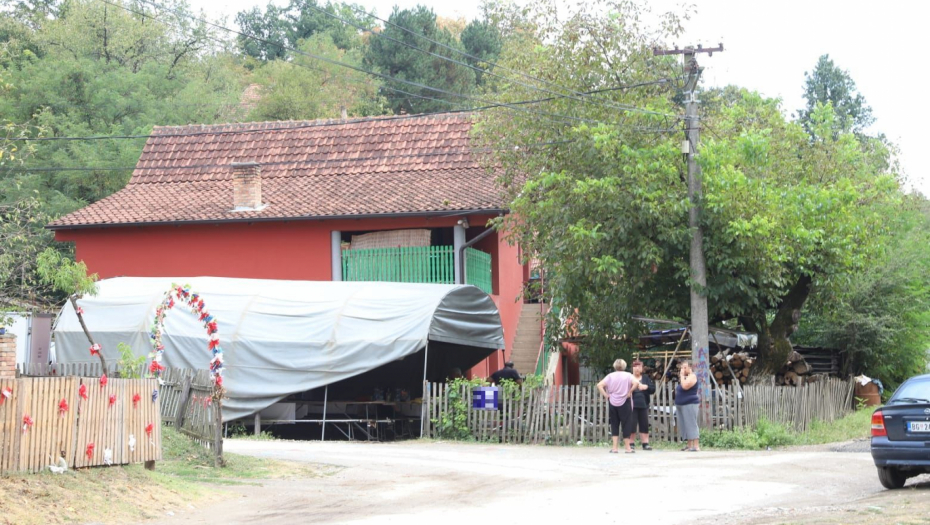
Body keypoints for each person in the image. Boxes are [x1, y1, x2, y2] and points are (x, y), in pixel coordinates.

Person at [597, 359, 641, 454]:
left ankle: (615, 448)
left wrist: (606, 395)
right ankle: (627, 448)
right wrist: (630, 391)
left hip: (612, 402)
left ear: (615, 366)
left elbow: (599, 385)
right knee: (626, 424)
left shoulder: (610, 376)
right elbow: (636, 383)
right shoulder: (628, 375)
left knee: (614, 424)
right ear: (624, 366)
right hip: (625, 401)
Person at [675, 359, 701, 452]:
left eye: (684, 367)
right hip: (681, 404)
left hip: (690, 403)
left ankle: (696, 445)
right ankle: (689, 445)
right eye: (681, 367)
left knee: (691, 423)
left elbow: (685, 386)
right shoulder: (685, 378)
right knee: (685, 424)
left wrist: (681, 376)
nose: (682, 369)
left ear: (690, 367)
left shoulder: (692, 376)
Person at [630, 359, 656, 450]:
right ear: (632, 368)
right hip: (631, 404)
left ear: (642, 368)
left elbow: (653, 389)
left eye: (639, 367)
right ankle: (631, 443)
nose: (637, 369)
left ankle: (645, 443)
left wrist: (647, 387)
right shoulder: (629, 378)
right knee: (631, 424)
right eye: (635, 367)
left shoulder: (645, 378)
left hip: (644, 404)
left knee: (644, 424)